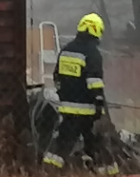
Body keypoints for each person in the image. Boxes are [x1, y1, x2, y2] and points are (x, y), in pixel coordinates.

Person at [42, 12, 117, 175]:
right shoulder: (92, 53)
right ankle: (108, 173)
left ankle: (48, 171)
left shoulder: (66, 50)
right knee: (97, 142)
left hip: (68, 108)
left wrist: (63, 94)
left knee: (62, 142)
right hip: (87, 109)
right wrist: (98, 102)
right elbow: (94, 81)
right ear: (96, 30)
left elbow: (57, 77)